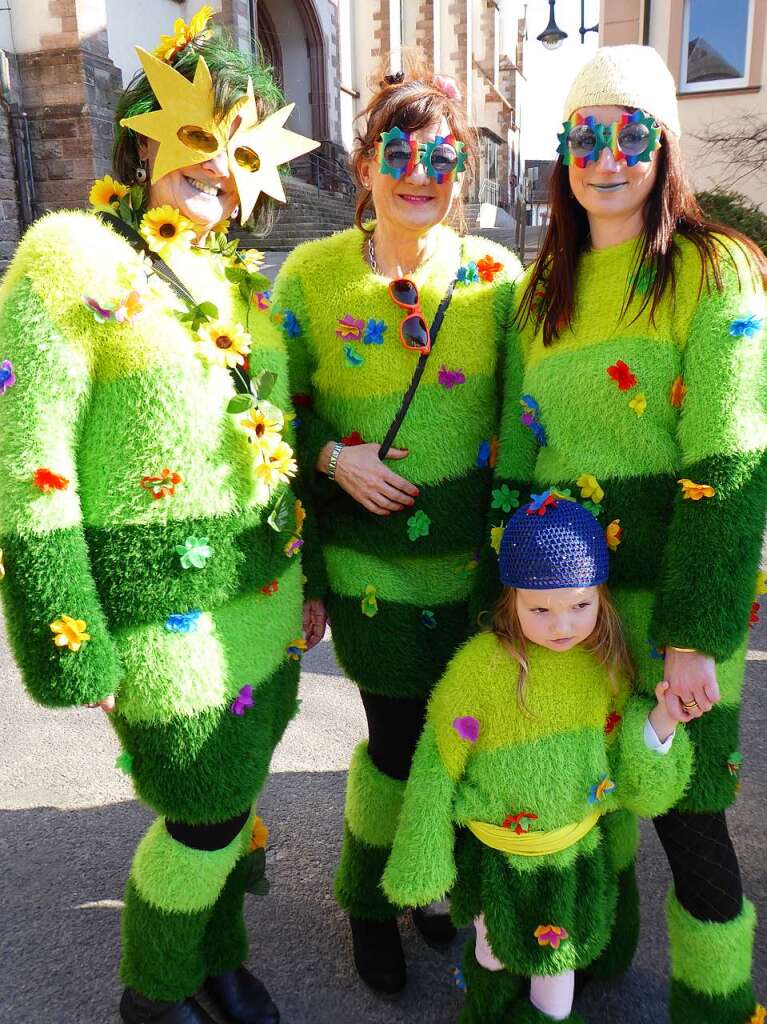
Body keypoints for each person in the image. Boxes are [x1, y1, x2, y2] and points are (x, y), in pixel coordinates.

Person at [0, 8, 317, 1024]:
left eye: (238, 157)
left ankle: (217, 958)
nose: (216, 177)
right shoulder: (71, 258)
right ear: (140, 137)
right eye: (195, 143)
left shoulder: (234, 284)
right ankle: (155, 985)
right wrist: (68, 628)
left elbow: (270, 451)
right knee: (198, 806)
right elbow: (28, 450)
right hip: (159, 613)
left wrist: (299, 578)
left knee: (231, 798)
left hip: (257, 603)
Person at [489, 45, 766, 1024]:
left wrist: (694, 632)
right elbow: (519, 453)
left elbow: (728, 465)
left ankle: (714, 1000)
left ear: (664, 150)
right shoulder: (541, 291)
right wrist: (510, 585)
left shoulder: (714, 268)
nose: (603, 157)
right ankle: (594, 961)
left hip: (673, 598)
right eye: (583, 135)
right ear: (561, 150)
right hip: (569, 604)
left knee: (689, 821)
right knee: (582, 801)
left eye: (628, 134)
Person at [270, 59, 521, 992]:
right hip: (368, 569)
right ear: (365, 163)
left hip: (475, 573)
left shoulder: (498, 277)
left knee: (460, 735)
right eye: (402, 153)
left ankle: (431, 884)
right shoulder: (310, 276)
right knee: (391, 740)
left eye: (443, 156)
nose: (423, 173)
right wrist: (337, 457)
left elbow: (529, 414)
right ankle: (371, 902)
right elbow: (261, 412)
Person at [383, 495, 695, 1023]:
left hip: (570, 859)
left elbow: (627, 761)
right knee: (490, 949)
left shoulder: (606, 664)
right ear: (512, 601)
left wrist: (663, 722)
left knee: (556, 966)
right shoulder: (479, 667)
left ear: (601, 596)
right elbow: (438, 760)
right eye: (540, 609)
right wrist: (423, 855)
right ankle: (485, 1007)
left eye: (580, 605)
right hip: (496, 856)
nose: (562, 626)